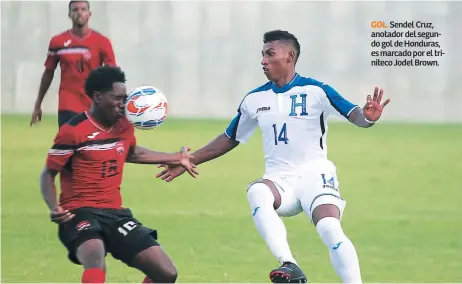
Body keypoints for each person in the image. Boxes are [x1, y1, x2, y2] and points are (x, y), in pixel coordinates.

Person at [156, 30, 390, 283]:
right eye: (262, 55)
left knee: (329, 228)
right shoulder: (255, 99)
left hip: (316, 176)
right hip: (281, 181)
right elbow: (230, 136)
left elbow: (355, 115)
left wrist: (368, 118)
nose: (263, 61)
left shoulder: (317, 91)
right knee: (257, 191)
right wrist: (189, 160)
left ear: (290, 56)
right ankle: (289, 265)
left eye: (270, 54)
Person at [40, 65, 198, 283]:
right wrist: (53, 207)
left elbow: (131, 153)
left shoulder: (124, 125)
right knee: (95, 258)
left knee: (166, 273)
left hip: (115, 213)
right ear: (97, 97)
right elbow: (48, 174)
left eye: (125, 98)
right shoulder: (73, 131)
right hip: (79, 212)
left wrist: (174, 158)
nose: (123, 104)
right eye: (118, 98)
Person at [31, 0, 117, 127]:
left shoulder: (102, 42)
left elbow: (113, 75)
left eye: (83, 9)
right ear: (69, 14)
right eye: (75, 10)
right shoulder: (58, 42)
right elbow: (48, 72)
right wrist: (38, 103)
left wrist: (114, 103)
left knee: (93, 146)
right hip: (68, 105)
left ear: (89, 14)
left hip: (94, 106)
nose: (79, 13)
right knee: (68, 145)